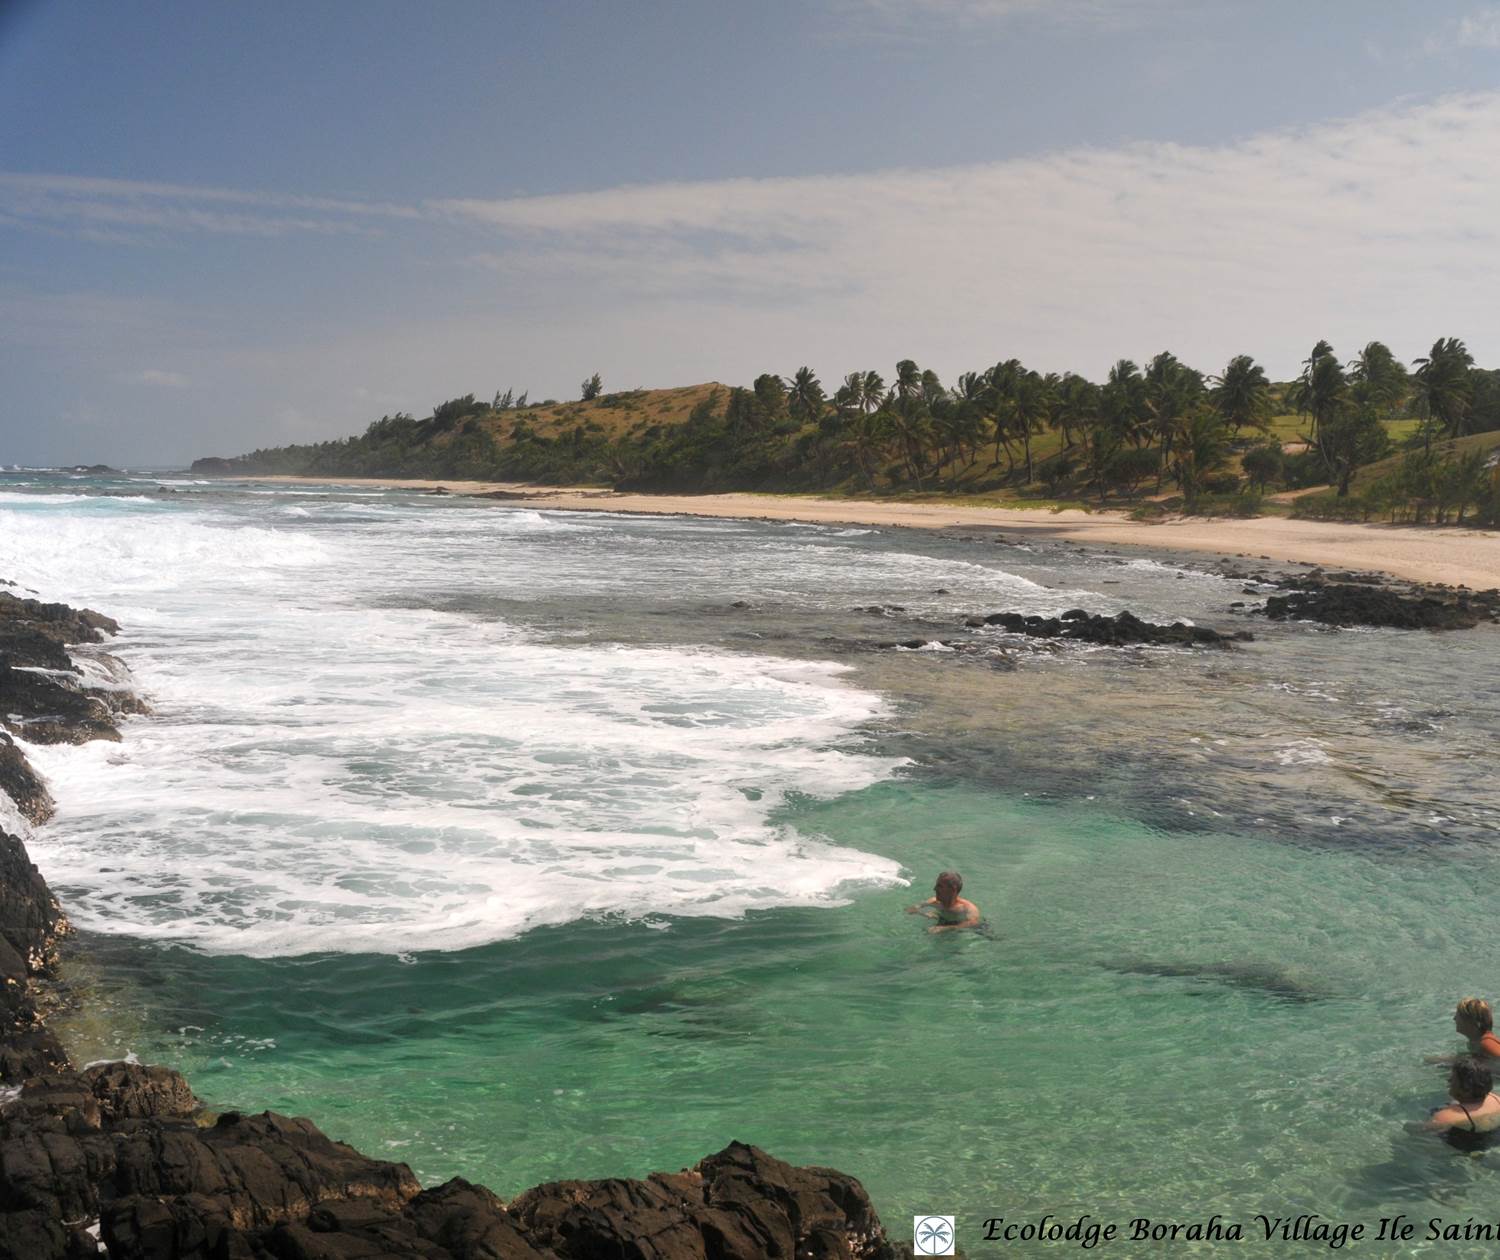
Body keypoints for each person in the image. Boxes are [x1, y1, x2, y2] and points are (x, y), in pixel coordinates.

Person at [1421, 1056, 1500, 1150]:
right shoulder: (1496, 1098)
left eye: (1453, 1078)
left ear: (1465, 1089)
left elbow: (1422, 1131)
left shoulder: (1447, 1116)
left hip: (1468, 1149)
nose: (1449, 1080)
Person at [906, 870, 980, 933]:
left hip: (958, 930)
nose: (934, 889)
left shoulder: (967, 908)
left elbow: (973, 923)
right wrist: (922, 913)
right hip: (943, 921)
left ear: (953, 890)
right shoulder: (934, 901)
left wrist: (944, 928)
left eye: (939, 886)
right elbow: (912, 908)